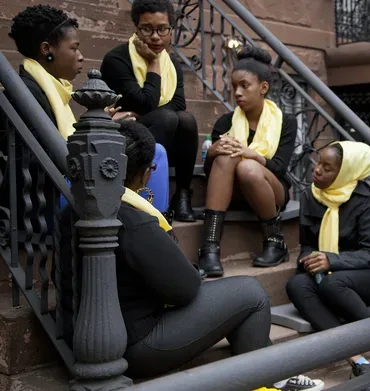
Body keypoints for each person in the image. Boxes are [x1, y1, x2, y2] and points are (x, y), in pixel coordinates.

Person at [57, 120, 323, 391]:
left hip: (83, 335)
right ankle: (265, 381)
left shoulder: (75, 209)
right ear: (143, 174)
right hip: (134, 346)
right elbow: (184, 290)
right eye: (152, 168)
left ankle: (273, 373)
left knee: (231, 302)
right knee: (250, 293)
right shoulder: (133, 220)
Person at [7, 4, 169, 212]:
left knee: (153, 151)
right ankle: (149, 225)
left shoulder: (46, 87)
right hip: (47, 196)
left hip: (60, 182)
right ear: (46, 49)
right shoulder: (28, 92)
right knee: (155, 153)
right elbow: (53, 155)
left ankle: (145, 225)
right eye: (74, 48)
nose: (81, 56)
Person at [285, 142, 370, 381]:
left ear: (345, 173)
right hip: (331, 273)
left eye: (327, 168)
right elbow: (307, 242)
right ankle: (357, 359)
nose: (317, 170)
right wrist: (308, 259)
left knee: (332, 284)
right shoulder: (311, 195)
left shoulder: (365, 199)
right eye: (318, 163)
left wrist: (331, 260)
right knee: (296, 285)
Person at [198, 45, 297, 277]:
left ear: (263, 88)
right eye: (234, 87)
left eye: (245, 86)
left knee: (247, 167)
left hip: (272, 190)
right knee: (226, 155)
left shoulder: (285, 122)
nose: (238, 93)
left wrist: (251, 154)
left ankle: (275, 241)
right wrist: (212, 152)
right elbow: (210, 173)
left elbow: (280, 167)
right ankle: (209, 248)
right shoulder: (225, 123)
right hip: (233, 193)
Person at [100, 0, 198, 221]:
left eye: (162, 29)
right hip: (125, 140)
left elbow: (179, 104)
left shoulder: (172, 65)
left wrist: (141, 113)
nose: (155, 37)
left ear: (171, 30)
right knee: (167, 117)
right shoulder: (117, 60)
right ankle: (140, 191)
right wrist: (153, 65)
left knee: (186, 120)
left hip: (160, 133)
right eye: (147, 29)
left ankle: (182, 196)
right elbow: (146, 103)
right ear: (136, 28)